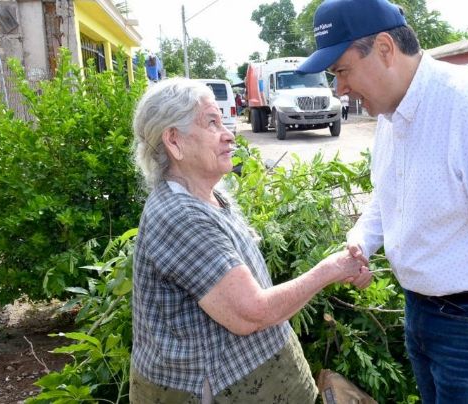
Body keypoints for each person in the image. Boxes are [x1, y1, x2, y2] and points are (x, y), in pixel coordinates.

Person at [297, 0, 468, 402]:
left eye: (342, 71)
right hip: (419, 312)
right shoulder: (389, 118)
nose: (340, 89)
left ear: (385, 48)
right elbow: (387, 200)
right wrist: (360, 243)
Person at [129, 78, 371, 403]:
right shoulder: (180, 216)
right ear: (174, 142)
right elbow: (251, 314)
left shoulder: (210, 195)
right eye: (211, 122)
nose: (229, 133)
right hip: (215, 390)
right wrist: (331, 269)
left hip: (261, 378)